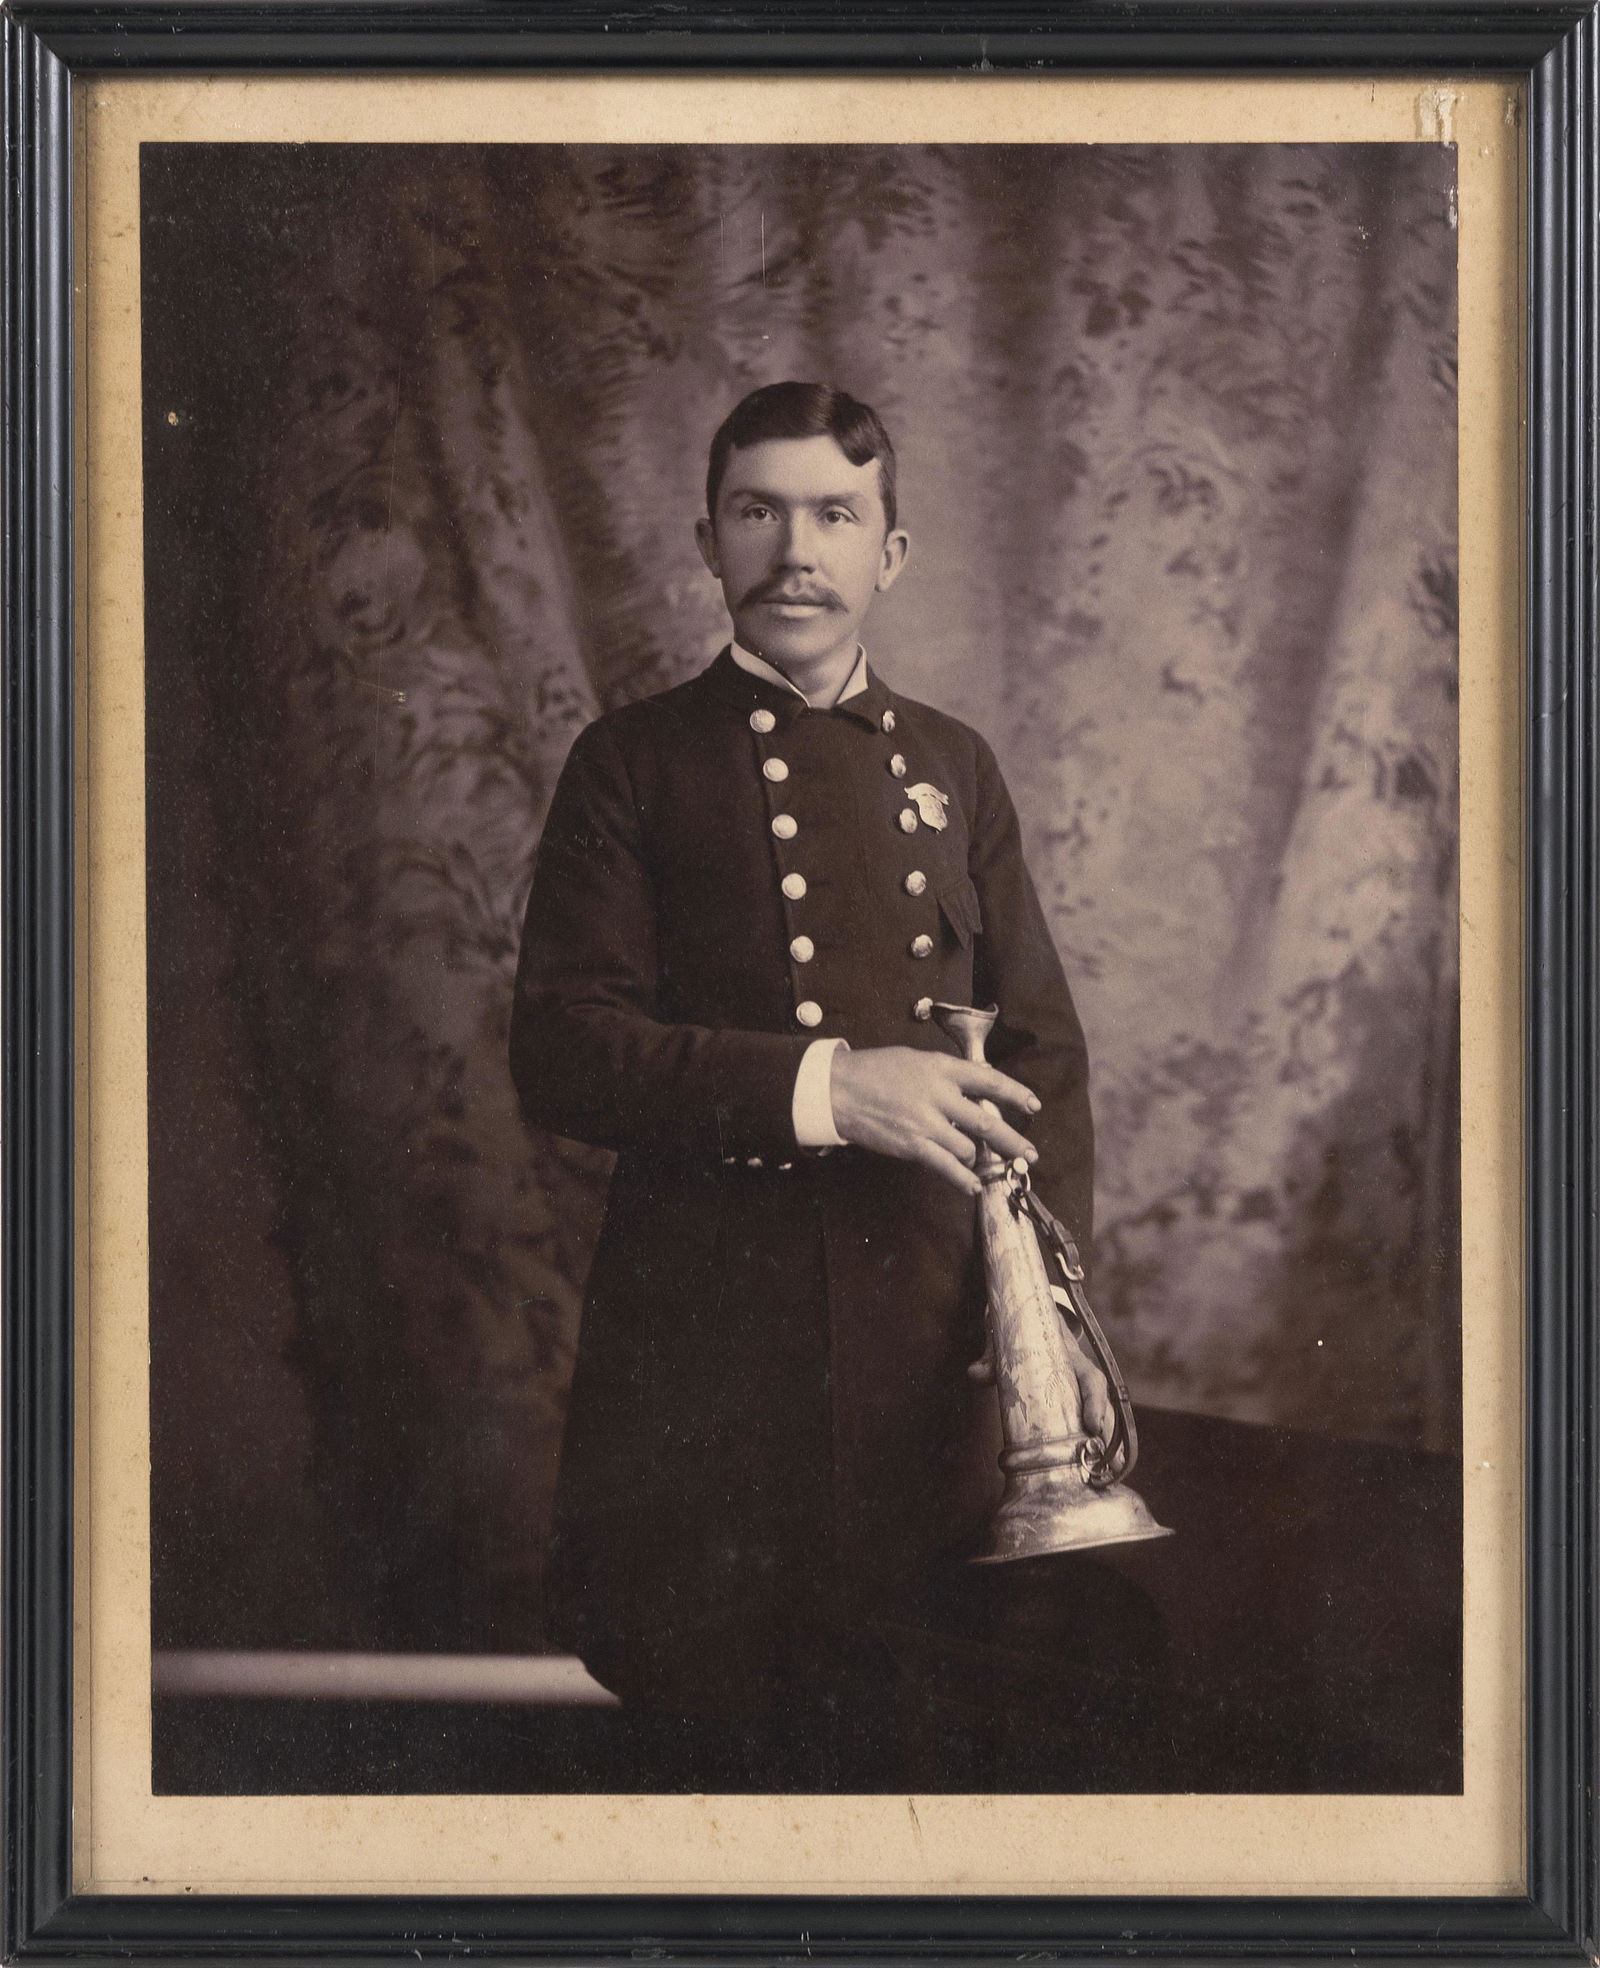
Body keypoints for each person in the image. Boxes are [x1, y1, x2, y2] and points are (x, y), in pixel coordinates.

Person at [509, 382, 1111, 1780]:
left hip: (933, 1350)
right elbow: (565, 1049)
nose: (797, 549)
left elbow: (1045, 1066)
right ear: (710, 542)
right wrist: (837, 1088)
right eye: (758, 511)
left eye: (835, 514)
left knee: (930, 1744)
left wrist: (1042, 1326)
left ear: (888, 552)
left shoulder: (957, 768)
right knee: (718, 1751)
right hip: (709, 1358)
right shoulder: (633, 764)